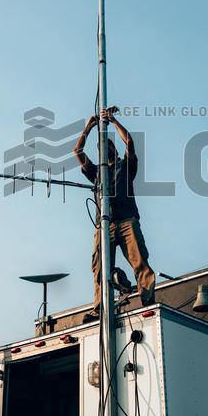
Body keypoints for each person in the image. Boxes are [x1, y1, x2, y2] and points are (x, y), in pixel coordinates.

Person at [74, 107, 155, 314]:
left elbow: (130, 142)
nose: (107, 149)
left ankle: (148, 301)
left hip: (127, 221)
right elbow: (77, 152)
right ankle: (100, 308)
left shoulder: (125, 165)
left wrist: (113, 120)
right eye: (103, 147)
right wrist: (89, 127)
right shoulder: (97, 173)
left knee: (140, 262)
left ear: (115, 150)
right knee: (101, 268)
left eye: (109, 145)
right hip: (105, 223)